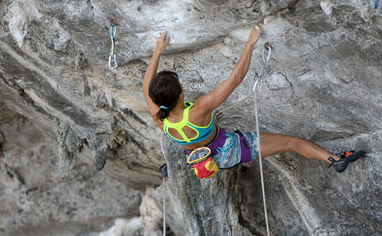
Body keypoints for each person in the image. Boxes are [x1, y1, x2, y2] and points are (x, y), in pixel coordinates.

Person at [142, 25, 365, 175]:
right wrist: (249, 44)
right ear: (181, 94)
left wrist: (157, 52)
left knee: (289, 144)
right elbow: (235, 79)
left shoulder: (159, 117)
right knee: (292, 142)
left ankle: (336, 158)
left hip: (210, 161)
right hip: (233, 149)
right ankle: (335, 159)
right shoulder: (198, 110)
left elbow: (146, 88)